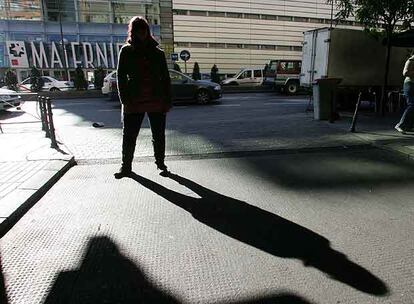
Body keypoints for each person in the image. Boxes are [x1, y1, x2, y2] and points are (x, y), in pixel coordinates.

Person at [115, 16, 172, 179]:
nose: (142, 34)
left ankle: (161, 164)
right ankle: (126, 167)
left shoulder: (157, 53)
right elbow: (120, 77)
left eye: (144, 30)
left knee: (158, 135)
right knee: (129, 136)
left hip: (156, 99)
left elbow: (165, 78)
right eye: (138, 31)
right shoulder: (126, 51)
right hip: (134, 101)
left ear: (147, 31)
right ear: (133, 32)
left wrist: (167, 101)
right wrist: (124, 100)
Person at [395, 54, 414, 133]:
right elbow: (405, 73)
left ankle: (408, 126)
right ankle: (401, 125)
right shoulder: (411, 60)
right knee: (412, 105)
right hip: (410, 85)